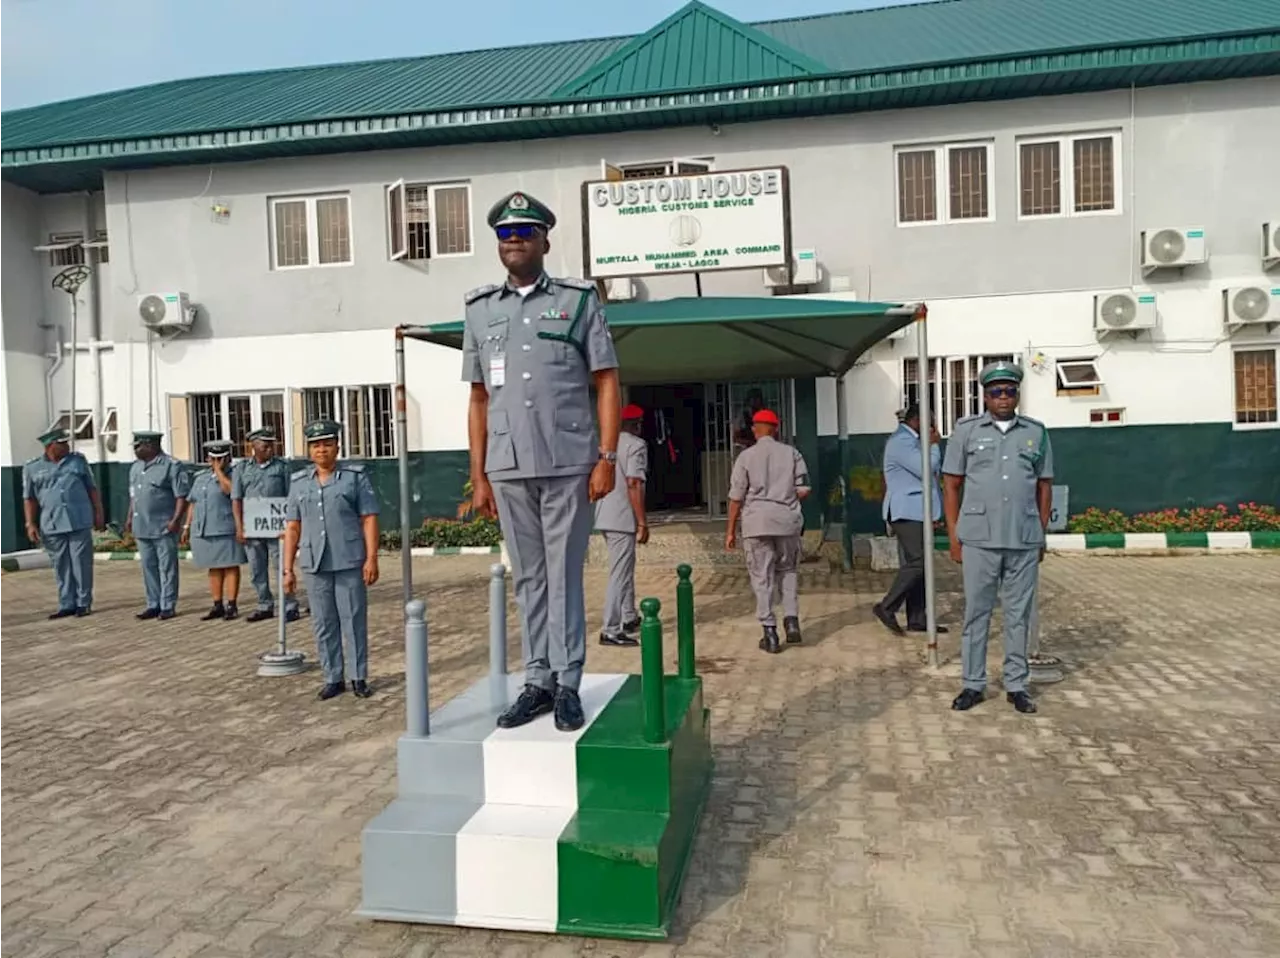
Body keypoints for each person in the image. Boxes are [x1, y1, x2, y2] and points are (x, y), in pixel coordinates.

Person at [462, 190, 620, 733]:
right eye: (506, 235)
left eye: (525, 233)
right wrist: (477, 474)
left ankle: (569, 680)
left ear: (544, 240)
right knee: (528, 577)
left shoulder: (579, 301)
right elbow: (479, 397)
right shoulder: (480, 310)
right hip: (507, 466)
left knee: (564, 574)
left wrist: (607, 456)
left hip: (570, 461)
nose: (514, 242)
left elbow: (606, 380)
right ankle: (537, 681)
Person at [942, 360, 1053, 715]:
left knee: (1019, 615)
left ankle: (1016, 684)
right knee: (977, 613)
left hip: (1022, 537)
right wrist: (954, 535)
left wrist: (1041, 533)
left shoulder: (1036, 432)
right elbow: (951, 483)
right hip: (978, 538)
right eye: (996, 392)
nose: (1003, 397)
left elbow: (1043, 484)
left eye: (1009, 391)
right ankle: (973, 683)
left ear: (1017, 394)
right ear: (985, 396)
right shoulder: (966, 432)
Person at [282, 419, 380, 701]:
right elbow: (292, 526)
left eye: (326, 444)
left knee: (353, 620)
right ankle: (332, 677)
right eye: (315, 445)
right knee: (324, 623)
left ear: (337, 446)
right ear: (309, 450)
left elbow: (369, 518)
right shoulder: (299, 482)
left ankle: (358, 676)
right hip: (315, 563)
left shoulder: (354, 477)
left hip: (349, 560)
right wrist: (288, 569)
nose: (321, 450)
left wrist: (371, 558)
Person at [725, 409, 811, 654]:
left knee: (762, 577)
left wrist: (731, 530)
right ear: (777, 428)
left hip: (756, 524)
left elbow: (735, 497)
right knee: (789, 570)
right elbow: (804, 489)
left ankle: (770, 632)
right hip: (787, 522)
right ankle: (792, 620)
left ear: (755, 429)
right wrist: (785, 499)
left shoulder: (745, 457)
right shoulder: (792, 453)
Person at [873, 402, 948, 636]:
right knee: (919, 562)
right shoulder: (901, 441)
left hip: (916, 510)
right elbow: (927, 469)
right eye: (931, 423)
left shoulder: (911, 441)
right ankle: (887, 606)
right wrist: (935, 446)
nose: (934, 428)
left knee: (919, 566)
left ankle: (917, 617)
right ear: (918, 421)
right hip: (907, 511)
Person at [22, 426, 105, 618]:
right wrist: (30, 523)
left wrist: (98, 511)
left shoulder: (78, 461)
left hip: (79, 519)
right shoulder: (32, 467)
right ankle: (66, 603)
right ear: (50, 446)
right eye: (62, 443)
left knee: (81, 562)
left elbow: (91, 488)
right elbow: (29, 498)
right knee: (61, 564)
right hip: (52, 522)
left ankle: (83, 602)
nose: (66, 445)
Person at [231, 428, 301, 623]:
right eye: (265, 445)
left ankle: (289, 605)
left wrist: (290, 525)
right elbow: (236, 499)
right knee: (256, 569)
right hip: (252, 527)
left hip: (276, 527)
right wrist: (239, 526)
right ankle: (264, 604)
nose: (270, 448)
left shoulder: (282, 467)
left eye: (272, 444)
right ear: (253, 446)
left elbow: (291, 497)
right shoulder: (242, 469)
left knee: (282, 567)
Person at [595, 403, 649, 647]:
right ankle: (610, 629)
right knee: (619, 573)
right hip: (621, 516)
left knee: (624, 567)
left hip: (603, 513)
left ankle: (629, 616)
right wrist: (642, 522)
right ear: (636, 424)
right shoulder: (636, 445)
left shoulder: (606, 443)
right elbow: (634, 483)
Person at [126, 430, 191, 621]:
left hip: (163, 525)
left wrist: (176, 520)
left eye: (140, 446)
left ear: (152, 446)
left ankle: (168, 604)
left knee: (167, 567)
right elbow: (133, 496)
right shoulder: (136, 468)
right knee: (148, 567)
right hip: (142, 525)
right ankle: (153, 604)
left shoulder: (172, 466)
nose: (136, 450)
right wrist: (129, 517)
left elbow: (181, 496)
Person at [184, 439, 247, 620]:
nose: (217, 462)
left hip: (225, 528)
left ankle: (232, 605)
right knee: (213, 567)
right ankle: (217, 604)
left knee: (229, 566)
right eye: (214, 459)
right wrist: (187, 525)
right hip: (204, 528)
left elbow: (230, 491)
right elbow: (193, 503)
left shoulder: (234, 475)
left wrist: (219, 471)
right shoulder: (201, 477)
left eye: (222, 458)